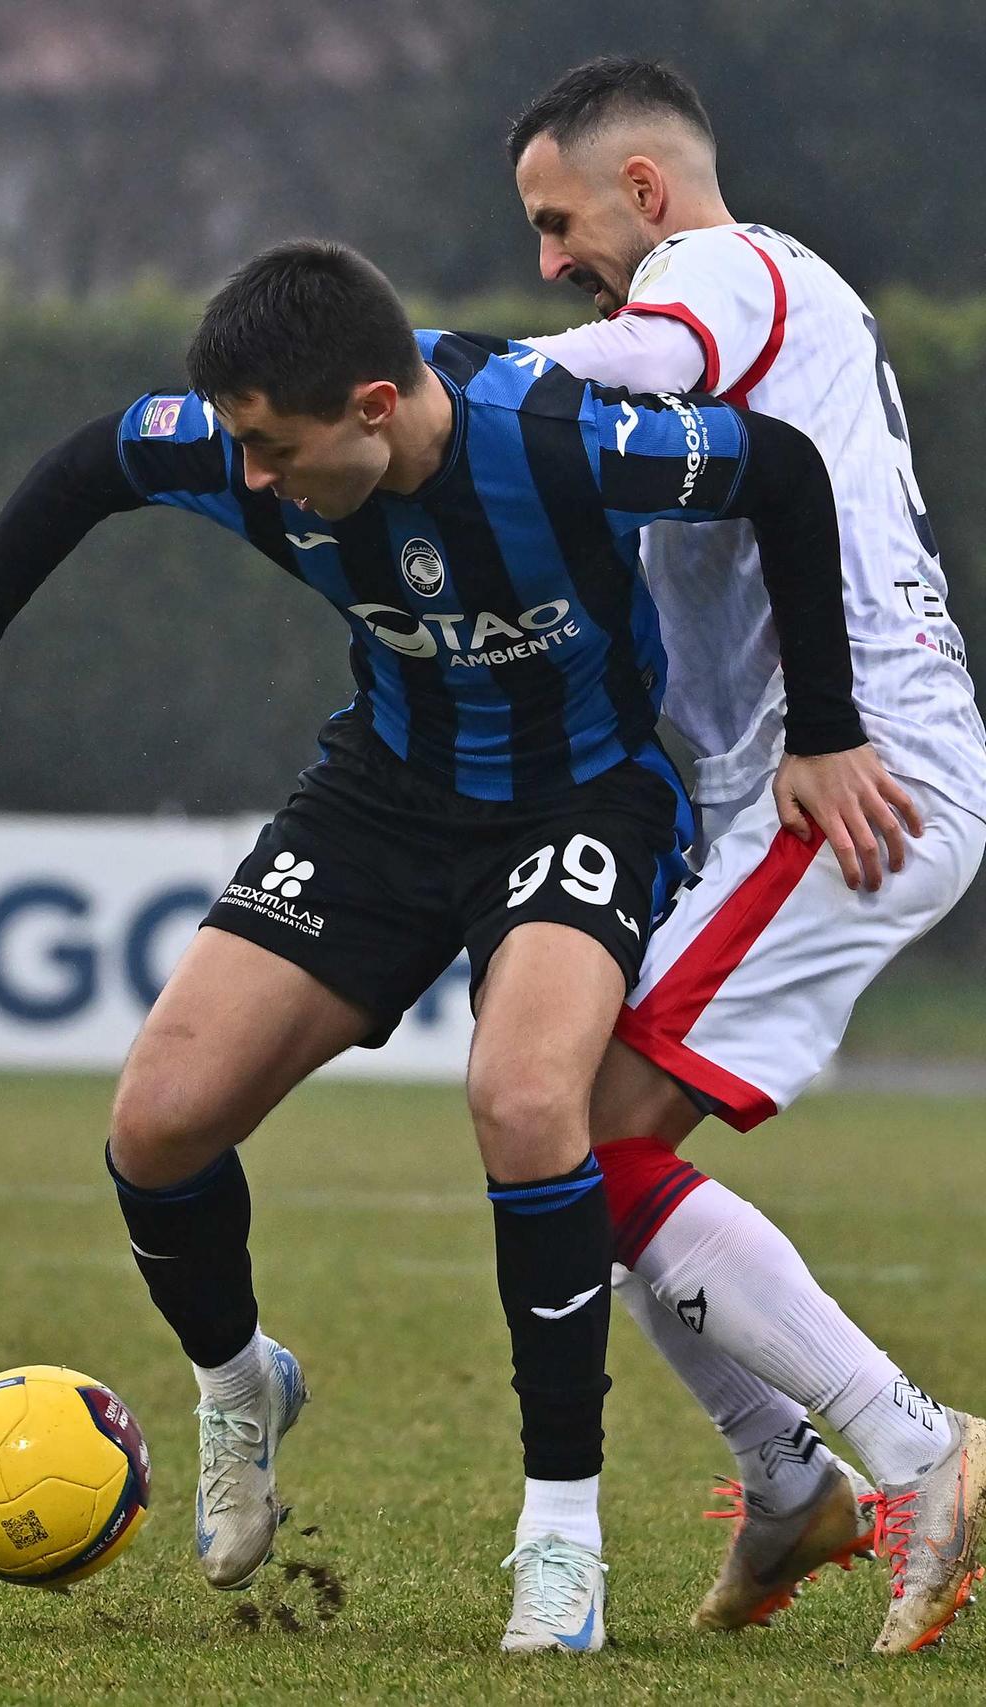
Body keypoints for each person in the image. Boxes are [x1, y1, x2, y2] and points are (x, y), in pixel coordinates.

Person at [0, 239, 896, 1655]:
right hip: (382, 795)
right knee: (161, 1119)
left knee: (527, 1100)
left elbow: (781, 468)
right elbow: (89, 464)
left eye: (274, 449)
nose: (249, 478)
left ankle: (561, 1534)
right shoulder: (245, 441)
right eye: (239, 445)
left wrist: (828, 726)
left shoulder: (556, 438)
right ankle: (243, 1380)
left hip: (587, 791)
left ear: (377, 404)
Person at [506, 56, 986, 1656]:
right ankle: (792, 1482)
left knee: (571, 1119)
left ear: (644, 192)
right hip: (811, 782)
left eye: (559, 221)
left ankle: (910, 1445)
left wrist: (434, 384)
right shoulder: (794, 296)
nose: (552, 260)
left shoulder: (720, 269)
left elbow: (621, 358)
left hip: (851, 779)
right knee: (563, 1131)